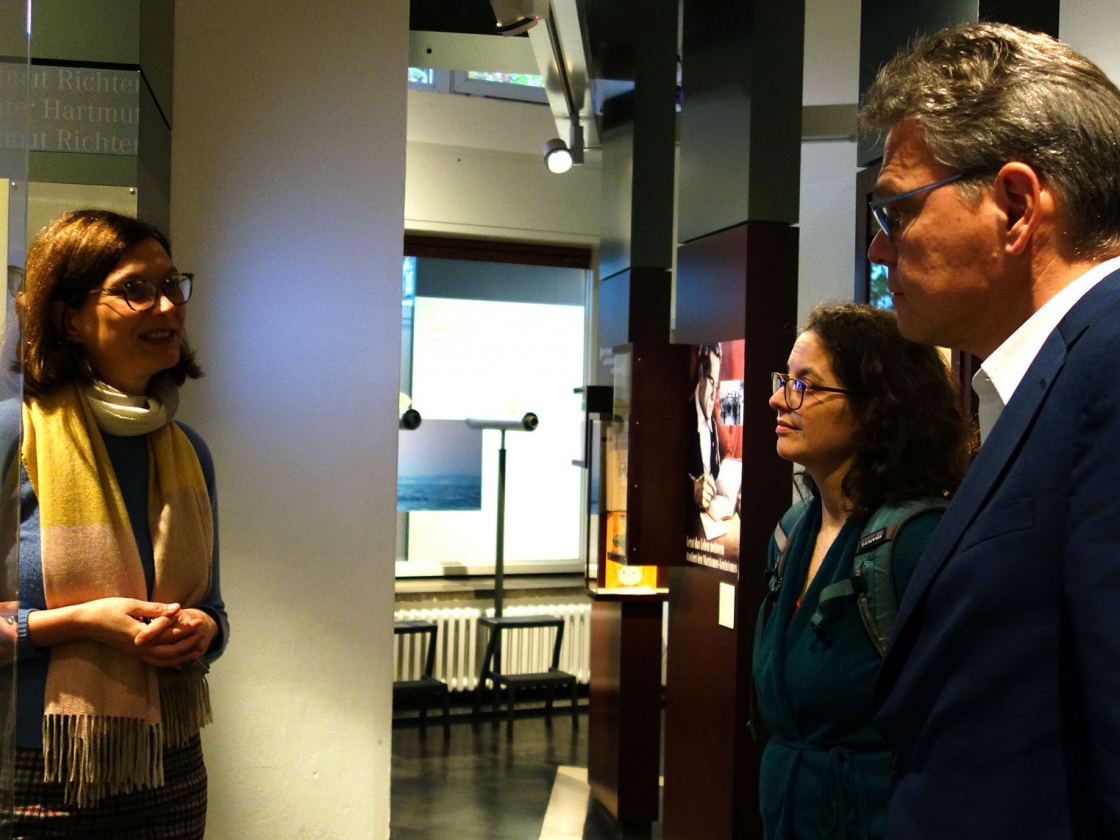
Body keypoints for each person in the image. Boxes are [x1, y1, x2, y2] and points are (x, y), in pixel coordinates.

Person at [861, 22, 1120, 837]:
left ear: (1013, 205)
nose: (877, 244)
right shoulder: (1062, 373)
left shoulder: (1110, 367)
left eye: (895, 209)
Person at [1, 209, 228, 836]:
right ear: (69, 317)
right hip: (30, 774)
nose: (166, 307)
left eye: (171, 285)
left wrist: (202, 628)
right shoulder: (11, 438)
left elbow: (216, 611)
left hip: (170, 768)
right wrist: (77, 624)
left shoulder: (188, 450)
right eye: (134, 289)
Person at [754, 302, 969, 839]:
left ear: (877, 407)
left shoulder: (919, 543)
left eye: (806, 384)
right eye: (785, 379)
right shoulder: (792, 532)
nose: (778, 398)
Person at [688, 343, 722, 512]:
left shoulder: (712, 426)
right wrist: (693, 487)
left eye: (716, 386)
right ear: (700, 375)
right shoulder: (683, 418)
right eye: (711, 381)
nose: (713, 396)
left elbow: (714, 471)